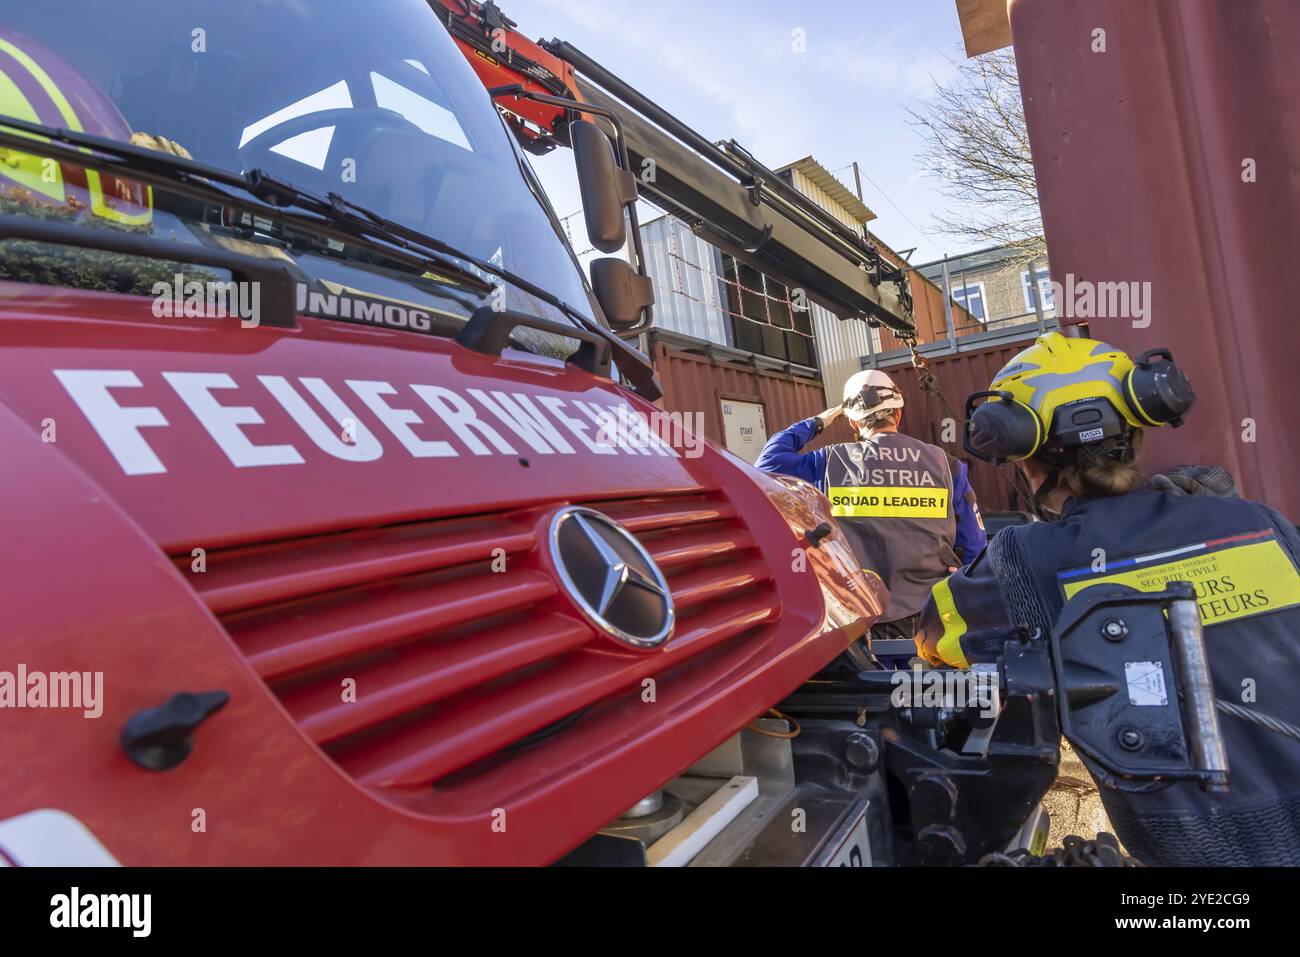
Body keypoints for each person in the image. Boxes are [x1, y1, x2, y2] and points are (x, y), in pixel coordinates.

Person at [916, 331, 1300, 865]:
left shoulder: (1023, 562)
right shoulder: (1259, 522)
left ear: (1026, 459)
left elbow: (933, 640)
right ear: (1141, 429)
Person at [755, 369, 986, 655]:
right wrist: (962, 576)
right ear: (898, 414)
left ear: (853, 421)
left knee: (879, 695)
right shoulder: (946, 465)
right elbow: (975, 544)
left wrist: (818, 422)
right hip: (935, 614)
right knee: (933, 693)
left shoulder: (831, 461)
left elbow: (769, 463)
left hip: (864, 622)